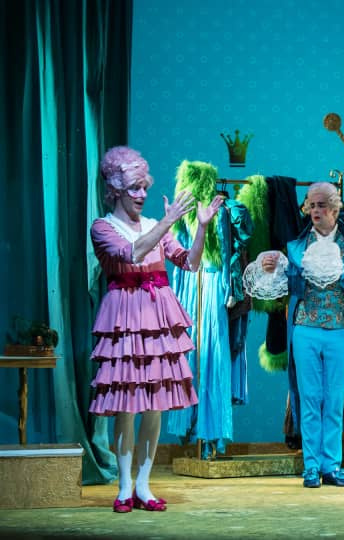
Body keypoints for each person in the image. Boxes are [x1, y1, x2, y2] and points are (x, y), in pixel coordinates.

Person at [88, 146, 223, 513]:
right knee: (127, 405)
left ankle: (144, 487)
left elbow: (189, 263)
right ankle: (124, 487)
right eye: (134, 187)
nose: (142, 194)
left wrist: (201, 227)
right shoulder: (103, 227)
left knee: (155, 406)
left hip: (159, 318)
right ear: (115, 189)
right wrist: (168, 222)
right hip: (127, 318)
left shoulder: (154, 225)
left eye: (144, 187)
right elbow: (131, 254)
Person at [257, 182, 344, 488]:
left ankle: (332, 465)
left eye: (321, 205)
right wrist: (270, 268)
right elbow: (284, 285)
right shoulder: (295, 249)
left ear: (335, 209)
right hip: (305, 331)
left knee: (335, 400)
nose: (315, 210)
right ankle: (311, 466)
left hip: (342, 332)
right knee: (310, 398)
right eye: (311, 205)